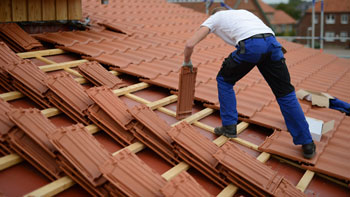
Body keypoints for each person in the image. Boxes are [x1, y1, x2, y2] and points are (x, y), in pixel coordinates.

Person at [183, 7, 316, 159]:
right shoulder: (243, 13)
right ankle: (307, 143)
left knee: (224, 80)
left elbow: (189, 44)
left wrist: (186, 62)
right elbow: (262, 36)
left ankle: (229, 126)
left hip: (252, 46)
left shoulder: (215, 17)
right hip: (273, 44)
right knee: (286, 94)